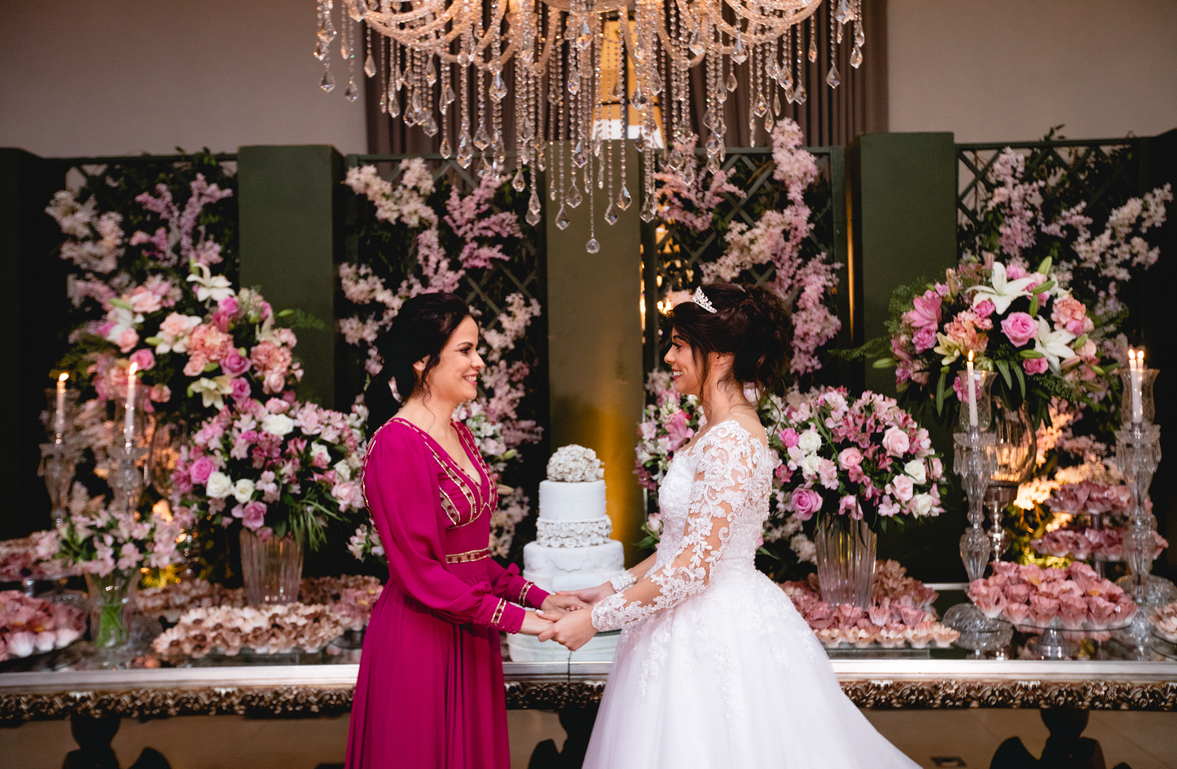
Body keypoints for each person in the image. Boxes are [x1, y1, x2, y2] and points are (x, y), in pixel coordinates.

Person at [538, 283, 920, 768]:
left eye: (680, 345)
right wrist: (612, 587)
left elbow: (694, 568)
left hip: (716, 627)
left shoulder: (733, 441)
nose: (669, 357)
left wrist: (596, 620)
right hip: (678, 618)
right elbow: (681, 544)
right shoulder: (713, 431)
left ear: (718, 355)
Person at [345, 292, 582, 769]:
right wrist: (524, 621)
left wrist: (539, 598)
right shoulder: (397, 443)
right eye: (466, 350)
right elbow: (421, 571)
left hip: (471, 628)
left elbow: (469, 558)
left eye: (478, 350)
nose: (479, 362)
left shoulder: (459, 434)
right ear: (422, 360)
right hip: (422, 637)